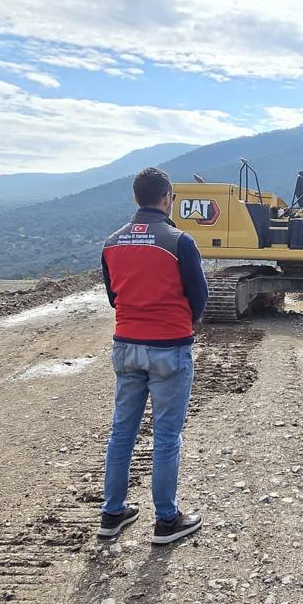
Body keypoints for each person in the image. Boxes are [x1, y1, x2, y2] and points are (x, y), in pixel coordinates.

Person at [98, 166, 207, 546]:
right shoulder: (179, 241)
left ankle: (112, 513)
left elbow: (113, 296)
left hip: (125, 345)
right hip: (169, 348)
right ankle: (166, 520)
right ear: (167, 198)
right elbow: (199, 298)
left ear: (135, 198)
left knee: (122, 432)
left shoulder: (112, 243)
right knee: (166, 436)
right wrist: (177, 320)